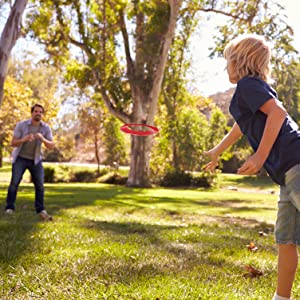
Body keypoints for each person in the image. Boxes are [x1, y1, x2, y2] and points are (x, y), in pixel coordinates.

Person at [204, 34, 300, 300]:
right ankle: (282, 297)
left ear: (240, 62)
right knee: (286, 238)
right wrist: (217, 151)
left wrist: (259, 156)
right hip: (286, 173)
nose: (226, 69)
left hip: (296, 162)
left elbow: (278, 113)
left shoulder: (248, 85)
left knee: (287, 239)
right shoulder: (251, 91)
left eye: (228, 63)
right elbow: (240, 127)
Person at [4, 104, 55, 221]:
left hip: (36, 160)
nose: (38, 113)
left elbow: (51, 146)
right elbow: (13, 143)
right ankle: (9, 207)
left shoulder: (46, 128)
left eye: (40, 112)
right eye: (36, 111)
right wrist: (24, 139)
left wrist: (43, 139)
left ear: (42, 115)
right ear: (32, 113)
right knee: (14, 183)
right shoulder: (21, 125)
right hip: (20, 158)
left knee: (40, 185)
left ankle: (40, 209)